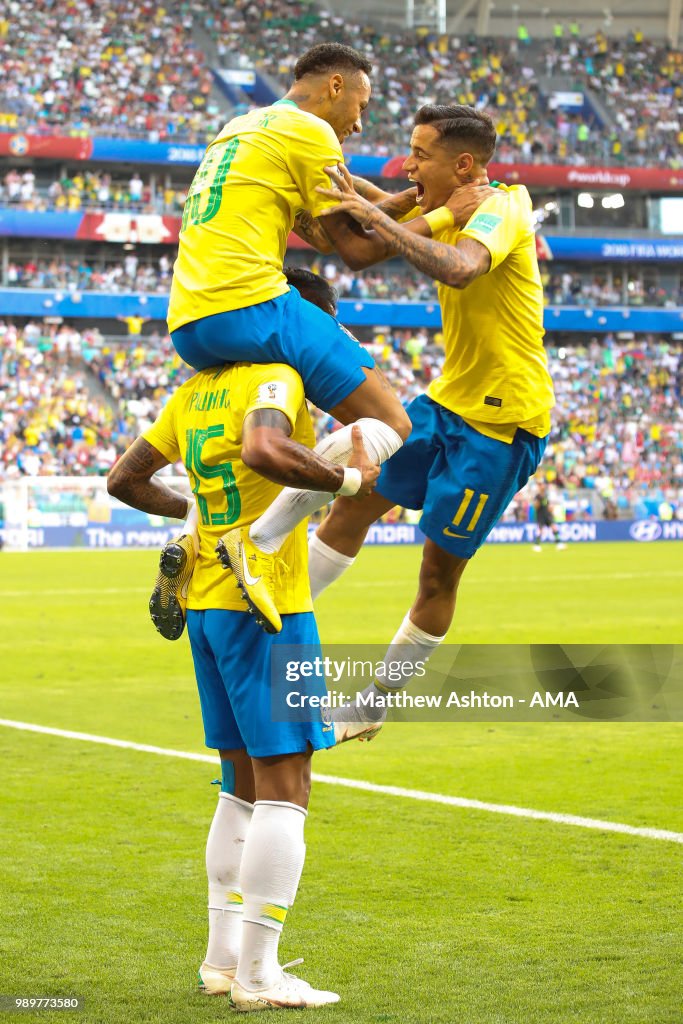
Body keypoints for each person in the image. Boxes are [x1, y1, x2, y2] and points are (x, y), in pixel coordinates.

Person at [107, 272, 380, 1009]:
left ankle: (222, 960)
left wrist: (193, 517)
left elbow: (124, 480)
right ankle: (259, 975)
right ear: (298, 321)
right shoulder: (277, 375)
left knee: (239, 786)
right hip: (266, 603)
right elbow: (264, 450)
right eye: (328, 328)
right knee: (286, 786)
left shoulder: (195, 389)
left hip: (204, 602)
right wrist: (348, 483)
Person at [166, 42, 486, 633]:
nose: (358, 123)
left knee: (259, 436)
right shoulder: (310, 130)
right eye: (360, 105)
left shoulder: (243, 128)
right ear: (336, 86)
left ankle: (195, 539)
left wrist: (408, 198)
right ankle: (257, 543)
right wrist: (446, 213)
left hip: (189, 322)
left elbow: (326, 227)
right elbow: (356, 250)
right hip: (250, 303)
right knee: (391, 422)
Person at [303, 104, 556, 740]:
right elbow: (364, 242)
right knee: (352, 506)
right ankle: (277, 610)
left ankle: (373, 705)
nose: (408, 164)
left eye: (420, 154)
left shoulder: (503, 205)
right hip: (445, 405)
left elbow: (461, 268)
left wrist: (380, 213)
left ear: (464, 164)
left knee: (437, 574)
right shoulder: (445, 207)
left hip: (502, 425)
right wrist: (349, 188)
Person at [532, 483, 566, 551]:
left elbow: (549, 506)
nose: (543, 487)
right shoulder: (537, 496)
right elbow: (536, 507)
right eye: (541, 486)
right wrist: (539, 501)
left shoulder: (546, 495)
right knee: (540, 530)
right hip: (541, 515)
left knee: (554, 527)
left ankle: (559, 543)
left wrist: (551, 509)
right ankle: (536, 545)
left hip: (548, 515)